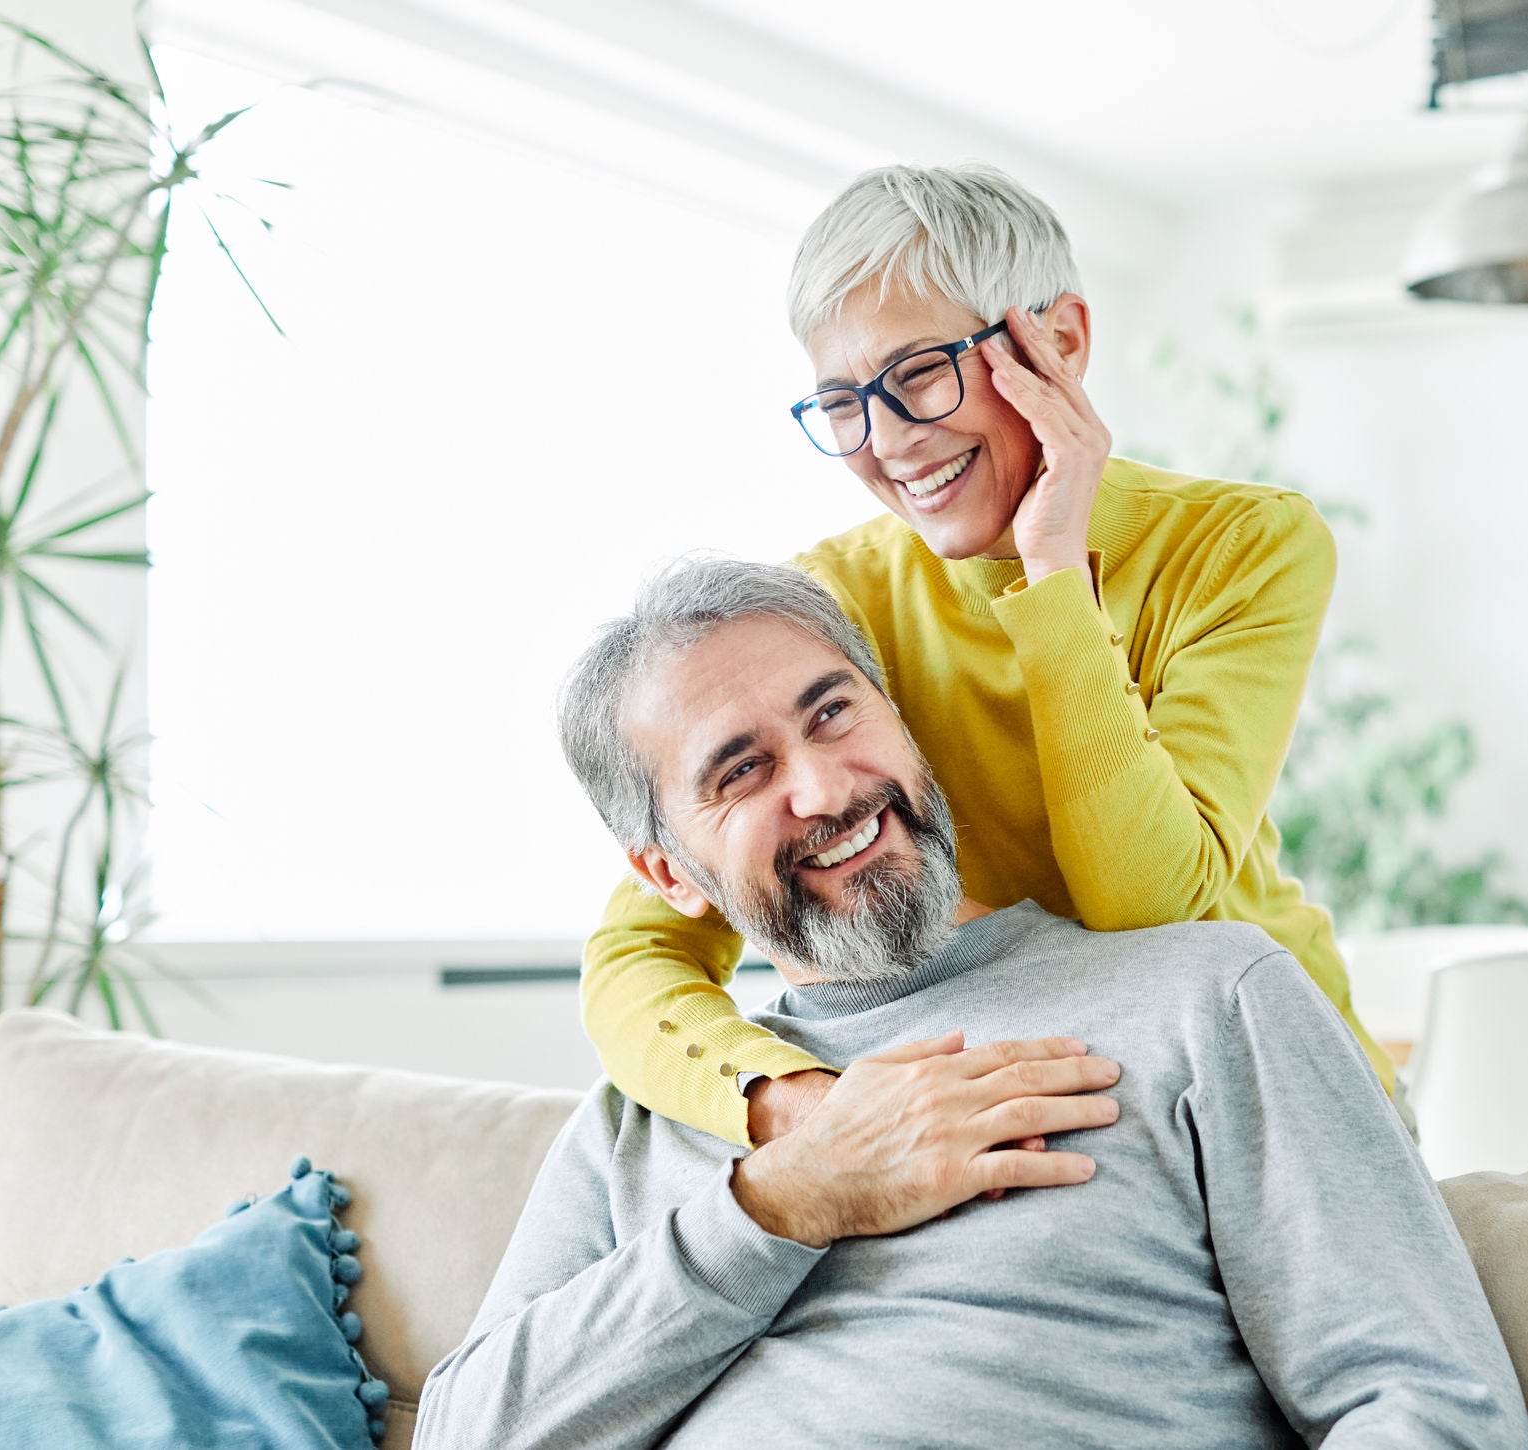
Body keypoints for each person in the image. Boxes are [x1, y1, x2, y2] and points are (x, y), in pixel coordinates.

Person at [412, 557, 1528, 1450]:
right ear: (663, 873)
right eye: (740, 771)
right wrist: (780, 1203)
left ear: (899, 719)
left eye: (834, 712)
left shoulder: (1204, 998)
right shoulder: (645, 1121)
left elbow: (1428, 1403)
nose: (825, 786)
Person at [583, 163, 1394, 1151]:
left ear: (1059, 343)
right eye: (842, 402)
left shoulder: (1242, 545)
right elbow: (639, 953)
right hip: (1051, 1109)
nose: (885, 441)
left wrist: (1053, 568)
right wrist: (793, 1105)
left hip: (1270, 1086)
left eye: (918, 373)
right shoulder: (833, 605)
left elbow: (1144, 905)